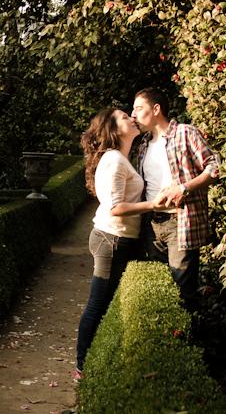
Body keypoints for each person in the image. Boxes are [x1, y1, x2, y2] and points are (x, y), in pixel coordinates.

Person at [73, 107, 166, 380]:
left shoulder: (121, 158)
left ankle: (92, 364)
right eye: (125, 117)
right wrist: (152, 204)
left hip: (118, 238)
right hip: (111, 238)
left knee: (106, 301)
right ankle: (82, 367)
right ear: (114, 130)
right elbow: (114, 207)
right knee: (98, 302)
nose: (132, 118)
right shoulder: (113, 159)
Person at [131, 87, 220, 309]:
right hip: (152, 224)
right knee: (160, 292)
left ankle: (187, 340)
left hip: (180, 221)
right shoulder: (143, 145)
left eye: (138, 108)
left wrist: (184, 188)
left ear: (156, 109)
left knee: (182, 295)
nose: (133, 115)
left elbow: (215, 167)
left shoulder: (185, 133)